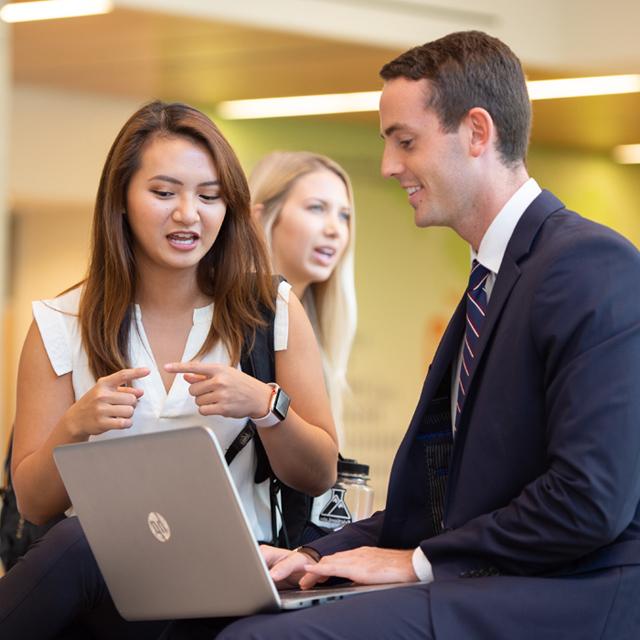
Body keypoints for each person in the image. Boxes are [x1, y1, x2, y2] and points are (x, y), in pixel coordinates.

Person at [163, 30, 640, 640]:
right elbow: (440, 508)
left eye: (405, 142)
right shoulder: (493, 279)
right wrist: (317, 556)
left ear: (476, 132)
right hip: (501, 581)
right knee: (216, 616)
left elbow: (588, 500)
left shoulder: (587, 263)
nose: (388, 167)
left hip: (573, 597)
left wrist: (418, 562)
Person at [0, 100, 338, 639]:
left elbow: (321, 472)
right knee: (86, 539)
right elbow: (35, 505)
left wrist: (266, 406)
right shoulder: (58, 323)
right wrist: (75, 427)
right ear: (122, 201)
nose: (189, 214)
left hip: (228, 578)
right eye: (164, 193)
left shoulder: (271, 309)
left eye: (209, 197)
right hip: (104, 585)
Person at [249, 151, 356, 447]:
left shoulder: (322, 326)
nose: (335, 229)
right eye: (317, 208)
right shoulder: (238, 327)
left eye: (344, 215)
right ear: (261, 217)